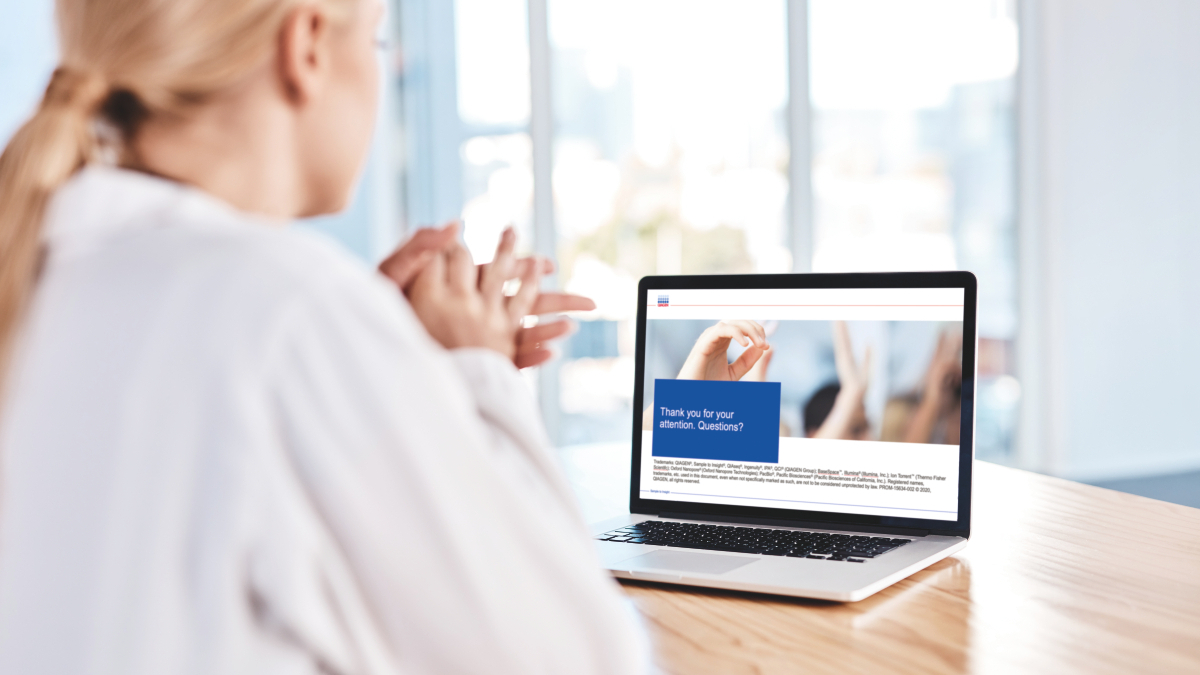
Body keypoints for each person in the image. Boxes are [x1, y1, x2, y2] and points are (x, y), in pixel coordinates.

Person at [0, 0, 648, 673]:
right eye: (376, 40)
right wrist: (473, 370)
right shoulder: (287, 312)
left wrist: (386, 356)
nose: (383, 69)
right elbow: (587, 657)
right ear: (306, 45)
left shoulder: (43, 270)